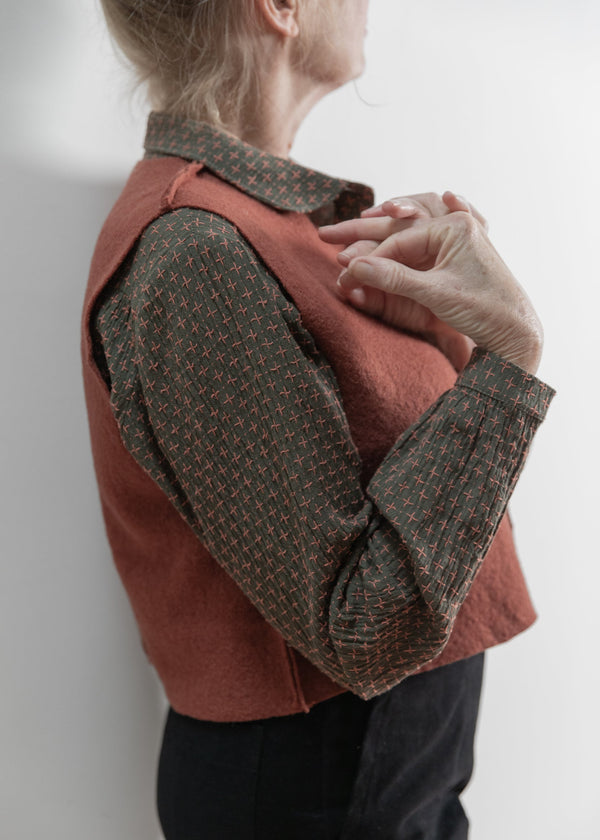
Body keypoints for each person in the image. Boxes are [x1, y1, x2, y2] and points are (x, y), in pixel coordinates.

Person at [81, 1, 555, 837]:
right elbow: (363, 627)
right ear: (280, 7)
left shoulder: (265, 227)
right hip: (317, 789)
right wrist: (511, 357)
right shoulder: (196, 253)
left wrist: (454, 343)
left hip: (374, 773)